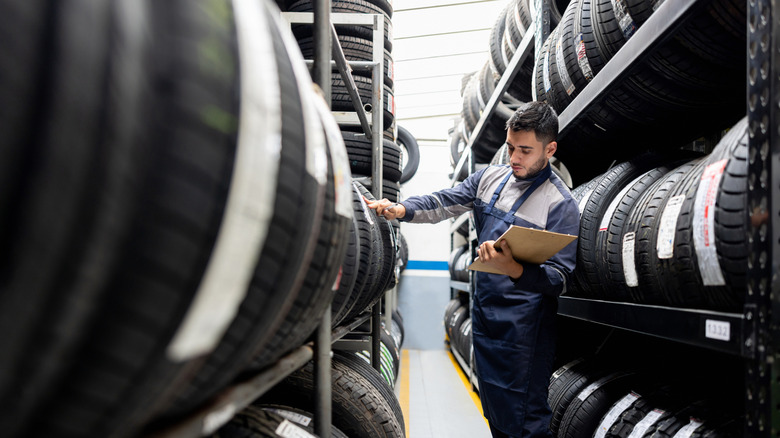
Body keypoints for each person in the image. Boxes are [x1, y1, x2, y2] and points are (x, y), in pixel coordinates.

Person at [365, 101, 580, 437]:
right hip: (485, 318)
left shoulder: (560, 204)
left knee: (525, 420)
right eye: (510, 147)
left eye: (525, 151)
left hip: (524, 331)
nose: (514, 158)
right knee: (495, 412)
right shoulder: (490, 179)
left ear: (549, 149)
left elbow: (560, 279)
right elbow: (443, 202)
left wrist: (513, 268)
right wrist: (401, 209)